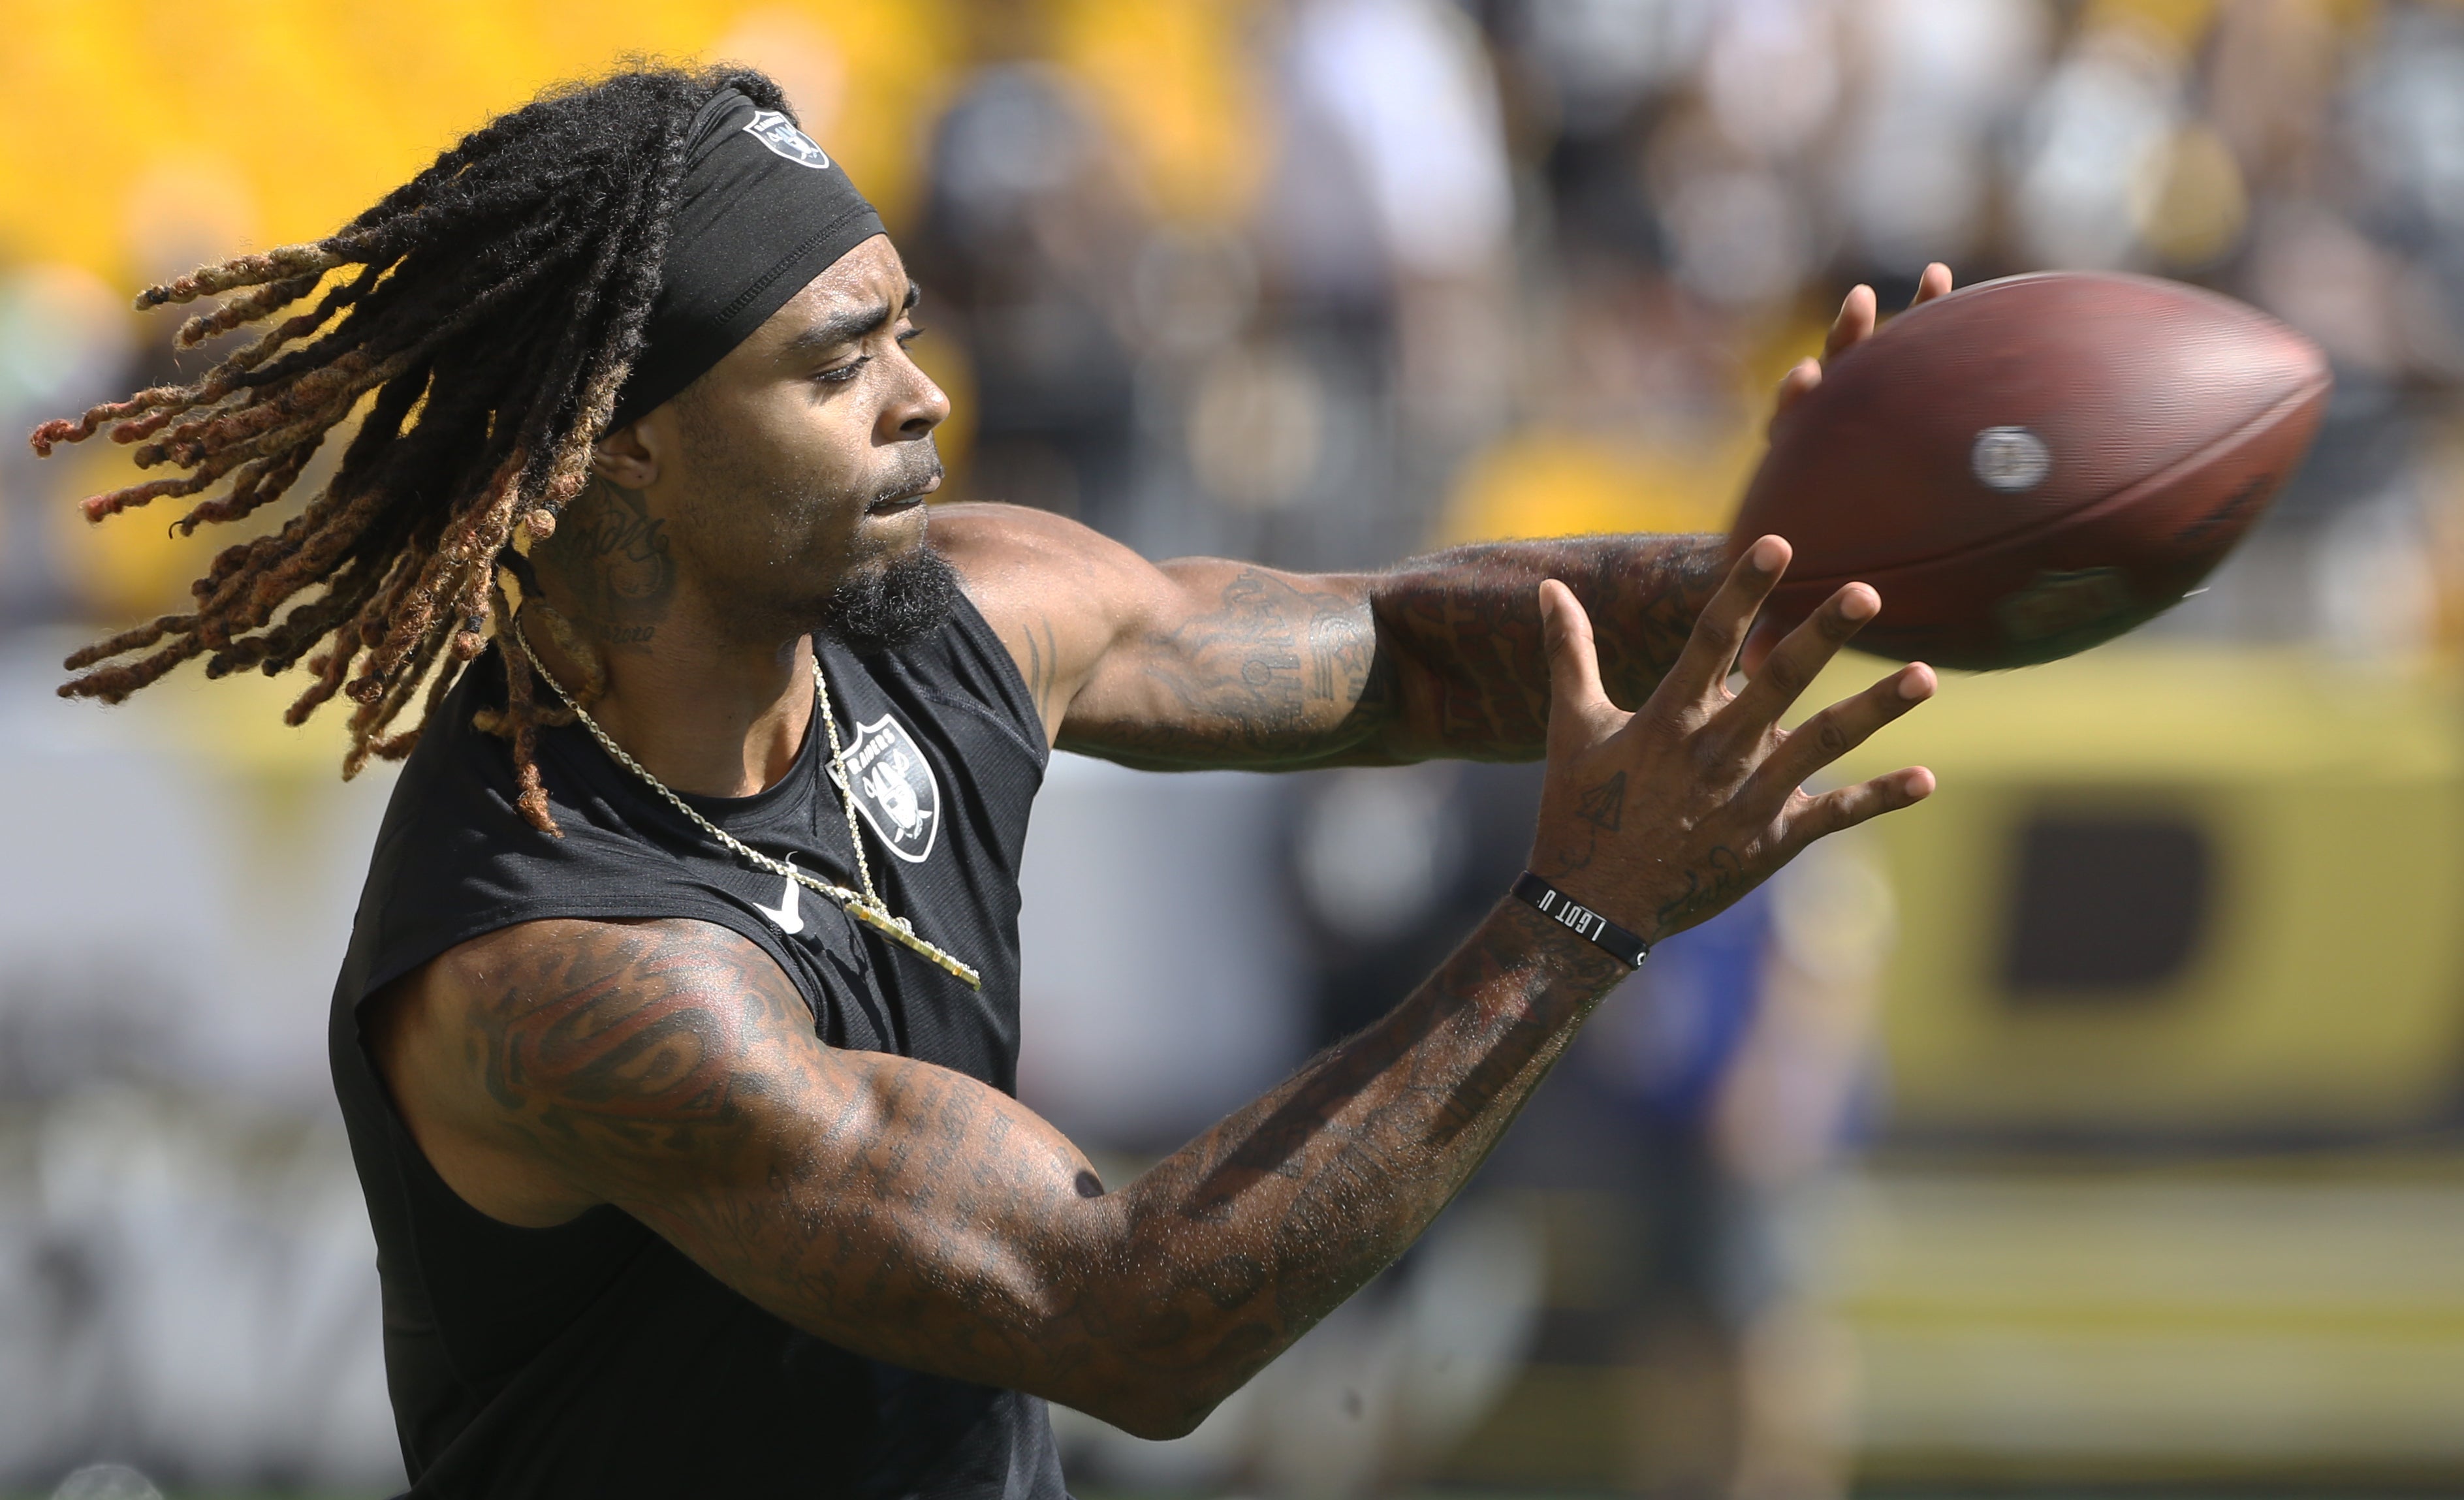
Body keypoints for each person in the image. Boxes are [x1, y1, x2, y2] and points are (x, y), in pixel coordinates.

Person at [31, 68, 1938, 1497]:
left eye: (908, 333)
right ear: (620, 468)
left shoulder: (944, 614)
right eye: (837, 360)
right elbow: (1130, 1312)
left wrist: (1809, 562)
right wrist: (1575, 920)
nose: (921, 398)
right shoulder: (569, 967)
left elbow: (1386, 645)